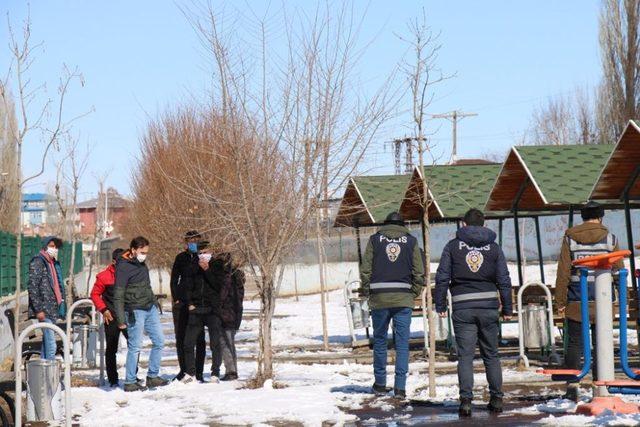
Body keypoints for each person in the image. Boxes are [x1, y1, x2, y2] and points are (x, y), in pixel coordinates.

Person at [435, 208, 512, 417]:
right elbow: (504, 279)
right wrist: (507, 308)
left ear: (463, 224)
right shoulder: (494, 248)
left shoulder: (452, 246)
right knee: (491, 355)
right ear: (485, 225)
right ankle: (496, 398)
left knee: (466, 357)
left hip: (462, 307)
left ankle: (466, 401)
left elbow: (442, 277)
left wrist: (440, 305)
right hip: (488, 307)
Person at [555, 201, 622, 400]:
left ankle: (573, 386)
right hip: (603, 301)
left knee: (575, 344)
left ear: (582, 217)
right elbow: (618, 270)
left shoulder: (570, 239)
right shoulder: (610, 239)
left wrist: (560, 301)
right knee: (601, 343)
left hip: (577, 300)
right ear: (600, 217)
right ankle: (599, 385)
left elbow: (563, 272)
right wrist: (622, 298)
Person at [359, 212, 424, 399]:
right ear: (402, 225)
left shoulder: (374, 240)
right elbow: (418, 272)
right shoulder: (411, 241)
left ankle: (380, 383)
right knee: (402, 343)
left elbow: (366, 269)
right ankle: (400, 388)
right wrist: (414, 293)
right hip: (403, 299)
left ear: (385, 224)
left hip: (379, 298)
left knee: (380, 341)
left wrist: (367, 290)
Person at [113, 236, 168, 392]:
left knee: (159, 341)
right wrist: (121, 319)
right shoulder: (123, 267)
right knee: (135, 346)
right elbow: (118, 295)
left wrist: (153, 301)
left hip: (149, 308)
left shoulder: (142, 264)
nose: (145, 255)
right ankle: (130, 381)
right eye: (142, 252)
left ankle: (152, 376)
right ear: (133, 250)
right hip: (134, 310)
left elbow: (146, 286)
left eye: (146, 252)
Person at [170, 230, 206, 382]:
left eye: (195, 240)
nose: (193, 243)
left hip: (198, 302)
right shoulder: (181, 258)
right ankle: (183, 369)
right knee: (181, 337)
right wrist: (176, 298)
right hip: (182, 302)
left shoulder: (203, 257)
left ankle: (198, 372)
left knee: (199, 339)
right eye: (190, 241)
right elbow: (174, 278)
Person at [182, 242, 220, 383]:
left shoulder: (217, 265)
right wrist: (190, 303)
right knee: (188, 343)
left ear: (211, 252)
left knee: (215, 343)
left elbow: (218, 285)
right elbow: (187, 286)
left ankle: (215, 373)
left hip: (212, 310)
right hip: (196, 309)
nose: (203, 255)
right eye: (200, 253)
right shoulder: (193, 267)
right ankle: (190, 373)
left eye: (206, 252)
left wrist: (207, 270)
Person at [90, 248, 127, 387]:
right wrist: (104, 310)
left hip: (128, 316)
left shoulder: (130, 274)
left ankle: (132, 376)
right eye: (121, 261)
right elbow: (94, 294)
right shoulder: (104, 276)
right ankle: (113, 379)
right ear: (114, 261)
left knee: (134, 346)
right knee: (111, 349)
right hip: (110, 317)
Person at [28, 236, 66, 360]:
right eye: (51, 246)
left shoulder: (52, 263)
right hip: (44, 310)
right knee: (51, 346)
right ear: (45, 247)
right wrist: (38, 310)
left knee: (46, 345)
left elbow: (56, 285)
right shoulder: (38, 261)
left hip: (52, 309)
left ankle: (43, 375)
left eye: (55, 247)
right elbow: (33, 286)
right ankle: (49, 377)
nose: (54, 249)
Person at [214, 252, 245, 381]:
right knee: (228, 342)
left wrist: (216, 306)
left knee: (225, 342)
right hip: (234, 313)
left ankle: (231, 371)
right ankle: (232, 370)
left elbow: (222, 296)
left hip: (226, 314)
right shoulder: (237, 275)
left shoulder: (226, 276)